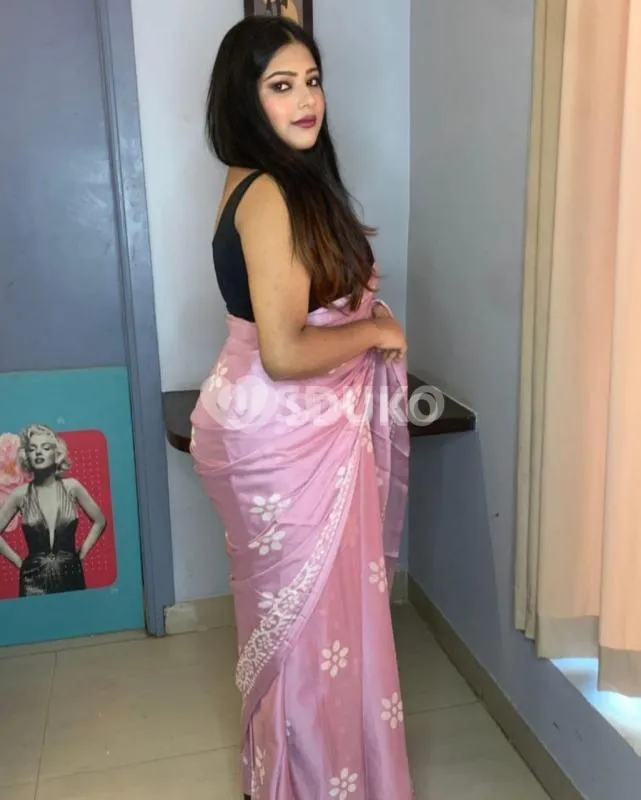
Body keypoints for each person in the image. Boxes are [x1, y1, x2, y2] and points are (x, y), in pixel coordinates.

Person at [190, 16, 414, 799]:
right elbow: (283, 352)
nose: (305, 100)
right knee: (308, 629)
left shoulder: (262, 179)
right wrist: (376, 329)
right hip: (280, 433)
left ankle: (308, 775)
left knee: (308, 625)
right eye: (280, 86)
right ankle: (310, 783)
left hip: (276, 423)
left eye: (311, 81)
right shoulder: (269, 193)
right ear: (244, 99)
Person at [0, 424, 106, 596]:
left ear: (57, 454)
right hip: (32, 581)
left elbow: (100, 521)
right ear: (27, 456)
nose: (38, 453)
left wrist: (81, 553)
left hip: (70, 575)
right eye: (32, 449)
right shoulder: (20, 494)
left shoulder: (72, 487)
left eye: (45, 447)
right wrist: (19, 562)